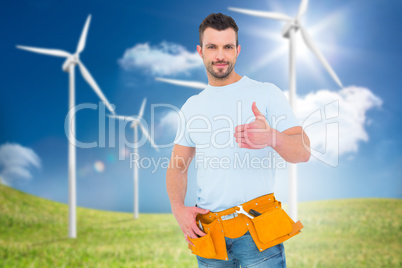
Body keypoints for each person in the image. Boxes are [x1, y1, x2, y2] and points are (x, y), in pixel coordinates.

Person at [166, 13, 310, 267]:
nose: (220, 55)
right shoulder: (191, 107)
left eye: (227, 47)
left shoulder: (265, 93)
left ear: (237, 50)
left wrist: (271, 137)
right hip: (210, 235)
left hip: (258, 233)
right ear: (200, 51)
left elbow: (303, 152)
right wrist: (178, 209)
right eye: (212, 47)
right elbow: (177, 165)